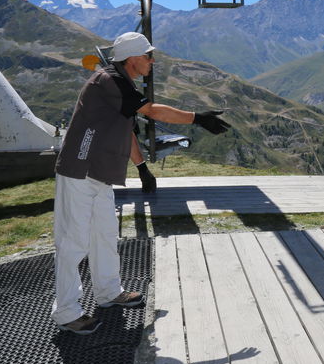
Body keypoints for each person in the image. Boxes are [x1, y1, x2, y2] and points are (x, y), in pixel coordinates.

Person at [52, 32, 231, 335]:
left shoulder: (122, 84)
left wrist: (142, 167)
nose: (152, 61)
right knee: (73, 243)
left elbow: (127, 130)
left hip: (99, 174)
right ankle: (67, 311)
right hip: (79, 170)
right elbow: (150, 110)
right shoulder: (109, 80)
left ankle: (109, 292)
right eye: (148, 56)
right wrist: (196, 118)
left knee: (106, 235)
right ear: (133, 58)